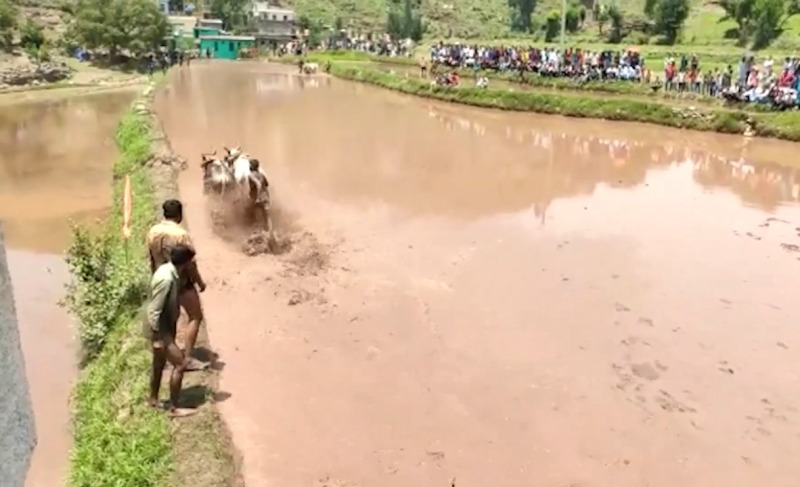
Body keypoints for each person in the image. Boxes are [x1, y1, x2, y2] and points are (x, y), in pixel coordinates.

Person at [147, 199, 208, 371]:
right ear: (179, 215)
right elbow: (190, 263)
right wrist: (200, 282)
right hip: (182, 283)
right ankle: (186, 358)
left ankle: (169, 355)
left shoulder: (153, 231)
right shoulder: (180, 234)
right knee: (195, 317)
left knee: (170, 320)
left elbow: (151, 258)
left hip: (161, 280)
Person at [147, 244, 197, 417]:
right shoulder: (167, 280)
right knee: (180, 364)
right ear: (186, 263)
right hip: (161, 329)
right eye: (191, 262)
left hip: (164, 326)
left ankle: (153, 399)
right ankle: (174, 408)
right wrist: (158, 337)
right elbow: (154, 310)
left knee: (159, 363)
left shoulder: (166, 270)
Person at [247, 159, 272, 233]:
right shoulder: (262, 175)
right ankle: (270, 232)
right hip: (266, 197)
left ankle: (259, 233)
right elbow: (267, 184)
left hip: (257, 198)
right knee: (267, 216)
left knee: (256, 215)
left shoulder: (250, 175)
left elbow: (258, 184)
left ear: (251, 167)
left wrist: (258, 196)